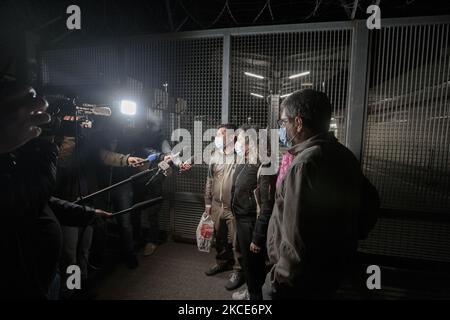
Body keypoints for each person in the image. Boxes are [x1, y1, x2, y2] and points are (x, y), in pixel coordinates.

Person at [263, 89, 378, 299]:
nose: (283, 128)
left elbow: (294, 236)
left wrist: (278, 281)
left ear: (298, 122)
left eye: (284, 122)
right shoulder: (345, 156)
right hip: (332, 267)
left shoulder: (303, 165)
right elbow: (371, 203)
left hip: (297, 281)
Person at [0, 87, 112, 299]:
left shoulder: (85, 140)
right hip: (68, 196)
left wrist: (86, 212)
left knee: (83, 252)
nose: (74, 121)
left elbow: (102, 156)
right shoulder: (56, 146)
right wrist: (63, 136)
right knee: (70, 255)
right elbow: (63, 165)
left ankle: (80, 285)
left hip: (81, 202)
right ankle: (70, 291)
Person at [230, 125, 277, 300]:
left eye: (241, 139)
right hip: (241, 219)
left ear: (252, 142)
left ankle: (256, 297)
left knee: (254, 265)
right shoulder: (244, 161)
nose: (237, 142)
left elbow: (266, 205)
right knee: (248, 263)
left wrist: (257, 237)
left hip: (251, 223)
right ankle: (251, 292)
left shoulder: (263, 166)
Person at [204, 123, 244, 291]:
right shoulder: (214, 156)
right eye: (218, 134)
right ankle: (222, 262)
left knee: (237, 242)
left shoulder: (241, 157)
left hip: (233, 208)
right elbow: (209, 180)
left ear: (232, 137)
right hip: (216, 205)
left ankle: (238, 271)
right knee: (219, 239)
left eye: (222, 134)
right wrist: (207, 202)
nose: (218, 137)